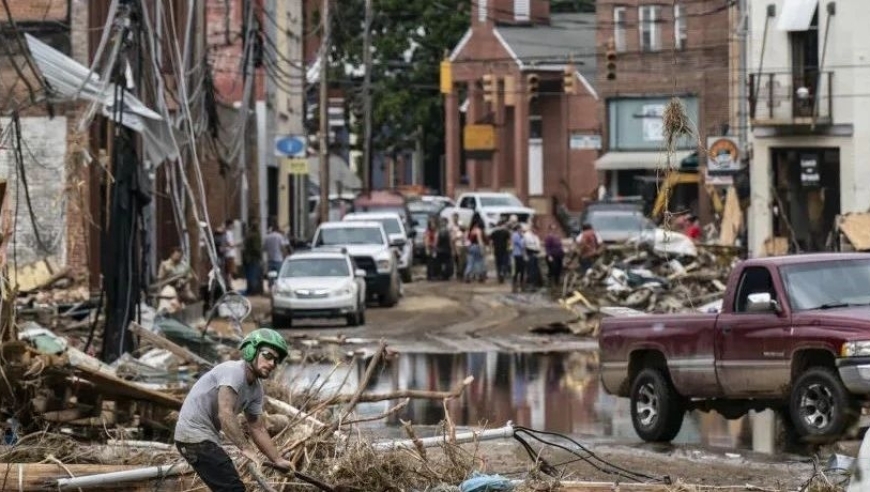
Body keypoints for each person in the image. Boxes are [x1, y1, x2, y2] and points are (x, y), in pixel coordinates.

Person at [174, 329, 293, 491]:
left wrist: (277, 459)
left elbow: (257, 427)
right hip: (193, 437)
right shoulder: (233, 372)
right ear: (251, 350)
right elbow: (225, 414)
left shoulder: (256, 389)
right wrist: (246, 448)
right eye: (268, 355)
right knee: (232, 488)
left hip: (204, 439)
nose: (272, 364)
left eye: (276, 360)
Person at [464, 213, 486, 282]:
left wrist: (467, 247)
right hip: (476, 246)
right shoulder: (478, 230)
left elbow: (466, 239)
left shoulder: (470, 230)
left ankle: (467, 275)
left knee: (470, 262)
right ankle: (480, 276)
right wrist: (482, 248)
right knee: (479, 261)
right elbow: (480, 240)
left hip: (470, 247)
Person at [489, 219, 511, 284]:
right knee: (504, 263)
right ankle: (502, 273)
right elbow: (509, 242)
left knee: (498, 263)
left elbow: (491, 242)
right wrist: (509, 248)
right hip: (504, 250)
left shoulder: (494, 232)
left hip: (497, 250)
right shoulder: (506, 232)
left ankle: (499, 275)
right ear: (503, 225)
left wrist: (491, 250)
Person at [510, 223, 526, 293]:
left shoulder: (518, 235)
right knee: (517, 270)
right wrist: (522, 238)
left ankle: (521, 285)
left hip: (520, 254)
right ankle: (516, 286)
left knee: (521, 270)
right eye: (521, 228)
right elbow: (521, 245)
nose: (522, 230)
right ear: (518, 229)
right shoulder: (516, 235)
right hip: (517, 254)